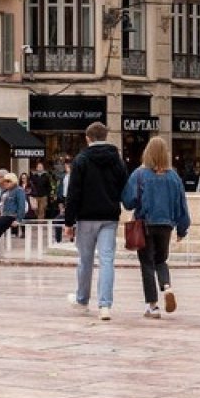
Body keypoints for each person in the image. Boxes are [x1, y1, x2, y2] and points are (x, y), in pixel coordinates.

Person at [64, 122, 128, 319]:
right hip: (109, 216)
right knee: (107, 260)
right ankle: (105, 305)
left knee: (85, 260)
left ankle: (82, 300)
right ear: (105, 136)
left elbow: (73, 193)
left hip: (86, 216)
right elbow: (124, 187)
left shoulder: (81, 160)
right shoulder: (116, 160)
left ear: (87, 138)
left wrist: (69, 222)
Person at [123, 135, 192, 318]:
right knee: (161, 260)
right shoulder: (174, 177)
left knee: (147, 263)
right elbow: (181, 205)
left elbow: (128, 201)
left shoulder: (139, 174)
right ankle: (167, 286)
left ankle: (152, 306)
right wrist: (182, 228)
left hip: (145, 224)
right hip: (166, 225)